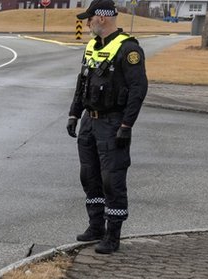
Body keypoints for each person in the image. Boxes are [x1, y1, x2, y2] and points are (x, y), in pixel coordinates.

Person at [66, 0, 148, 254]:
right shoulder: (92, 46)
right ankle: (95, 226)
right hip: (90, 122)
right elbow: (83, 83)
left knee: (112, 179)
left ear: (101, 18)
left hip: (113, 122)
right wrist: (74, 114)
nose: (87, 23)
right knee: (89, 176)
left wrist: (126, 124)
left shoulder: (128, 49)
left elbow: (138, 89)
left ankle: (113, 236)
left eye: (89, 18)